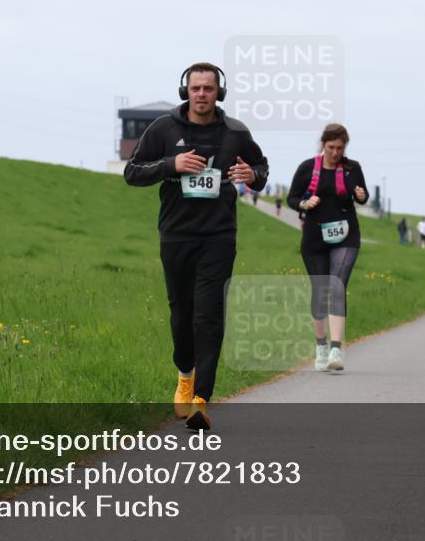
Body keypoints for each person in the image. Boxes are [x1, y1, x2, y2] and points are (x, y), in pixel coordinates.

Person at [124, 62, 269, 430]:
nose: (202, 94)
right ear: (185, 91)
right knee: (182, 314)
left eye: (208, 88)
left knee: (209, 315)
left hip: (219, 236)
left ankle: (201, 399)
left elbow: (261, 168)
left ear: (219, 93)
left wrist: (252, 175)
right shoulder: (163, 129)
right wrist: (172, 164)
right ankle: (185, 375)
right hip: (176, 234)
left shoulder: (235, 132)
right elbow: (132, 172)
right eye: (196, 88)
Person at [288, 123, 368, 373]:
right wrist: (304, 203)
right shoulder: (307, 168)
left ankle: (336, 349)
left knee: (337, 286)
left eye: (340, 148)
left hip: (346, 235)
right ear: (323, 145)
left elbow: (363, 195)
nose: (335, 153)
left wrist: (362, 195)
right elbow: (292, 198)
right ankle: (321, 345)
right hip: (315, 238)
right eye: (331, 147)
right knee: (321, 291)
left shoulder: (353, 168)